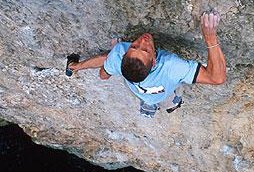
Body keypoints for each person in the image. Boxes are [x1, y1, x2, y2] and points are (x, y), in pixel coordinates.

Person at [69, 10, 226, 118]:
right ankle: (168, 106)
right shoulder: (171, 67)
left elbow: (103, 75)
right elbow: (217, 78)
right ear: (155, 60)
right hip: (164, 92)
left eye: (134, 46)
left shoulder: (118, 54)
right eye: (145, 50)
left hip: (139, 90)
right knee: (170, 99)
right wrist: (210, 37)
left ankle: (148, 106)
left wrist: (78, 66)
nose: (142, 41)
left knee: (146, 97)